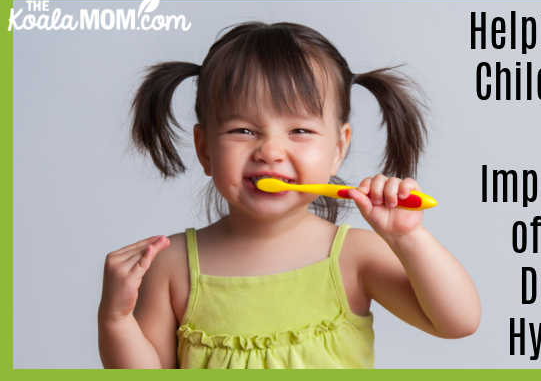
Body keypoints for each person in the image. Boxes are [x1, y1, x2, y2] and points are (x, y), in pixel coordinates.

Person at [97, 21, 481, 369]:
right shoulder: (171, 267)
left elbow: (458, 322)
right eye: (243, 131)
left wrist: (407, 237)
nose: (270, 151)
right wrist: (115, 319)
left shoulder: (354, 256)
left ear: (338, 148)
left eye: (299, 131)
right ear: (205, 150)